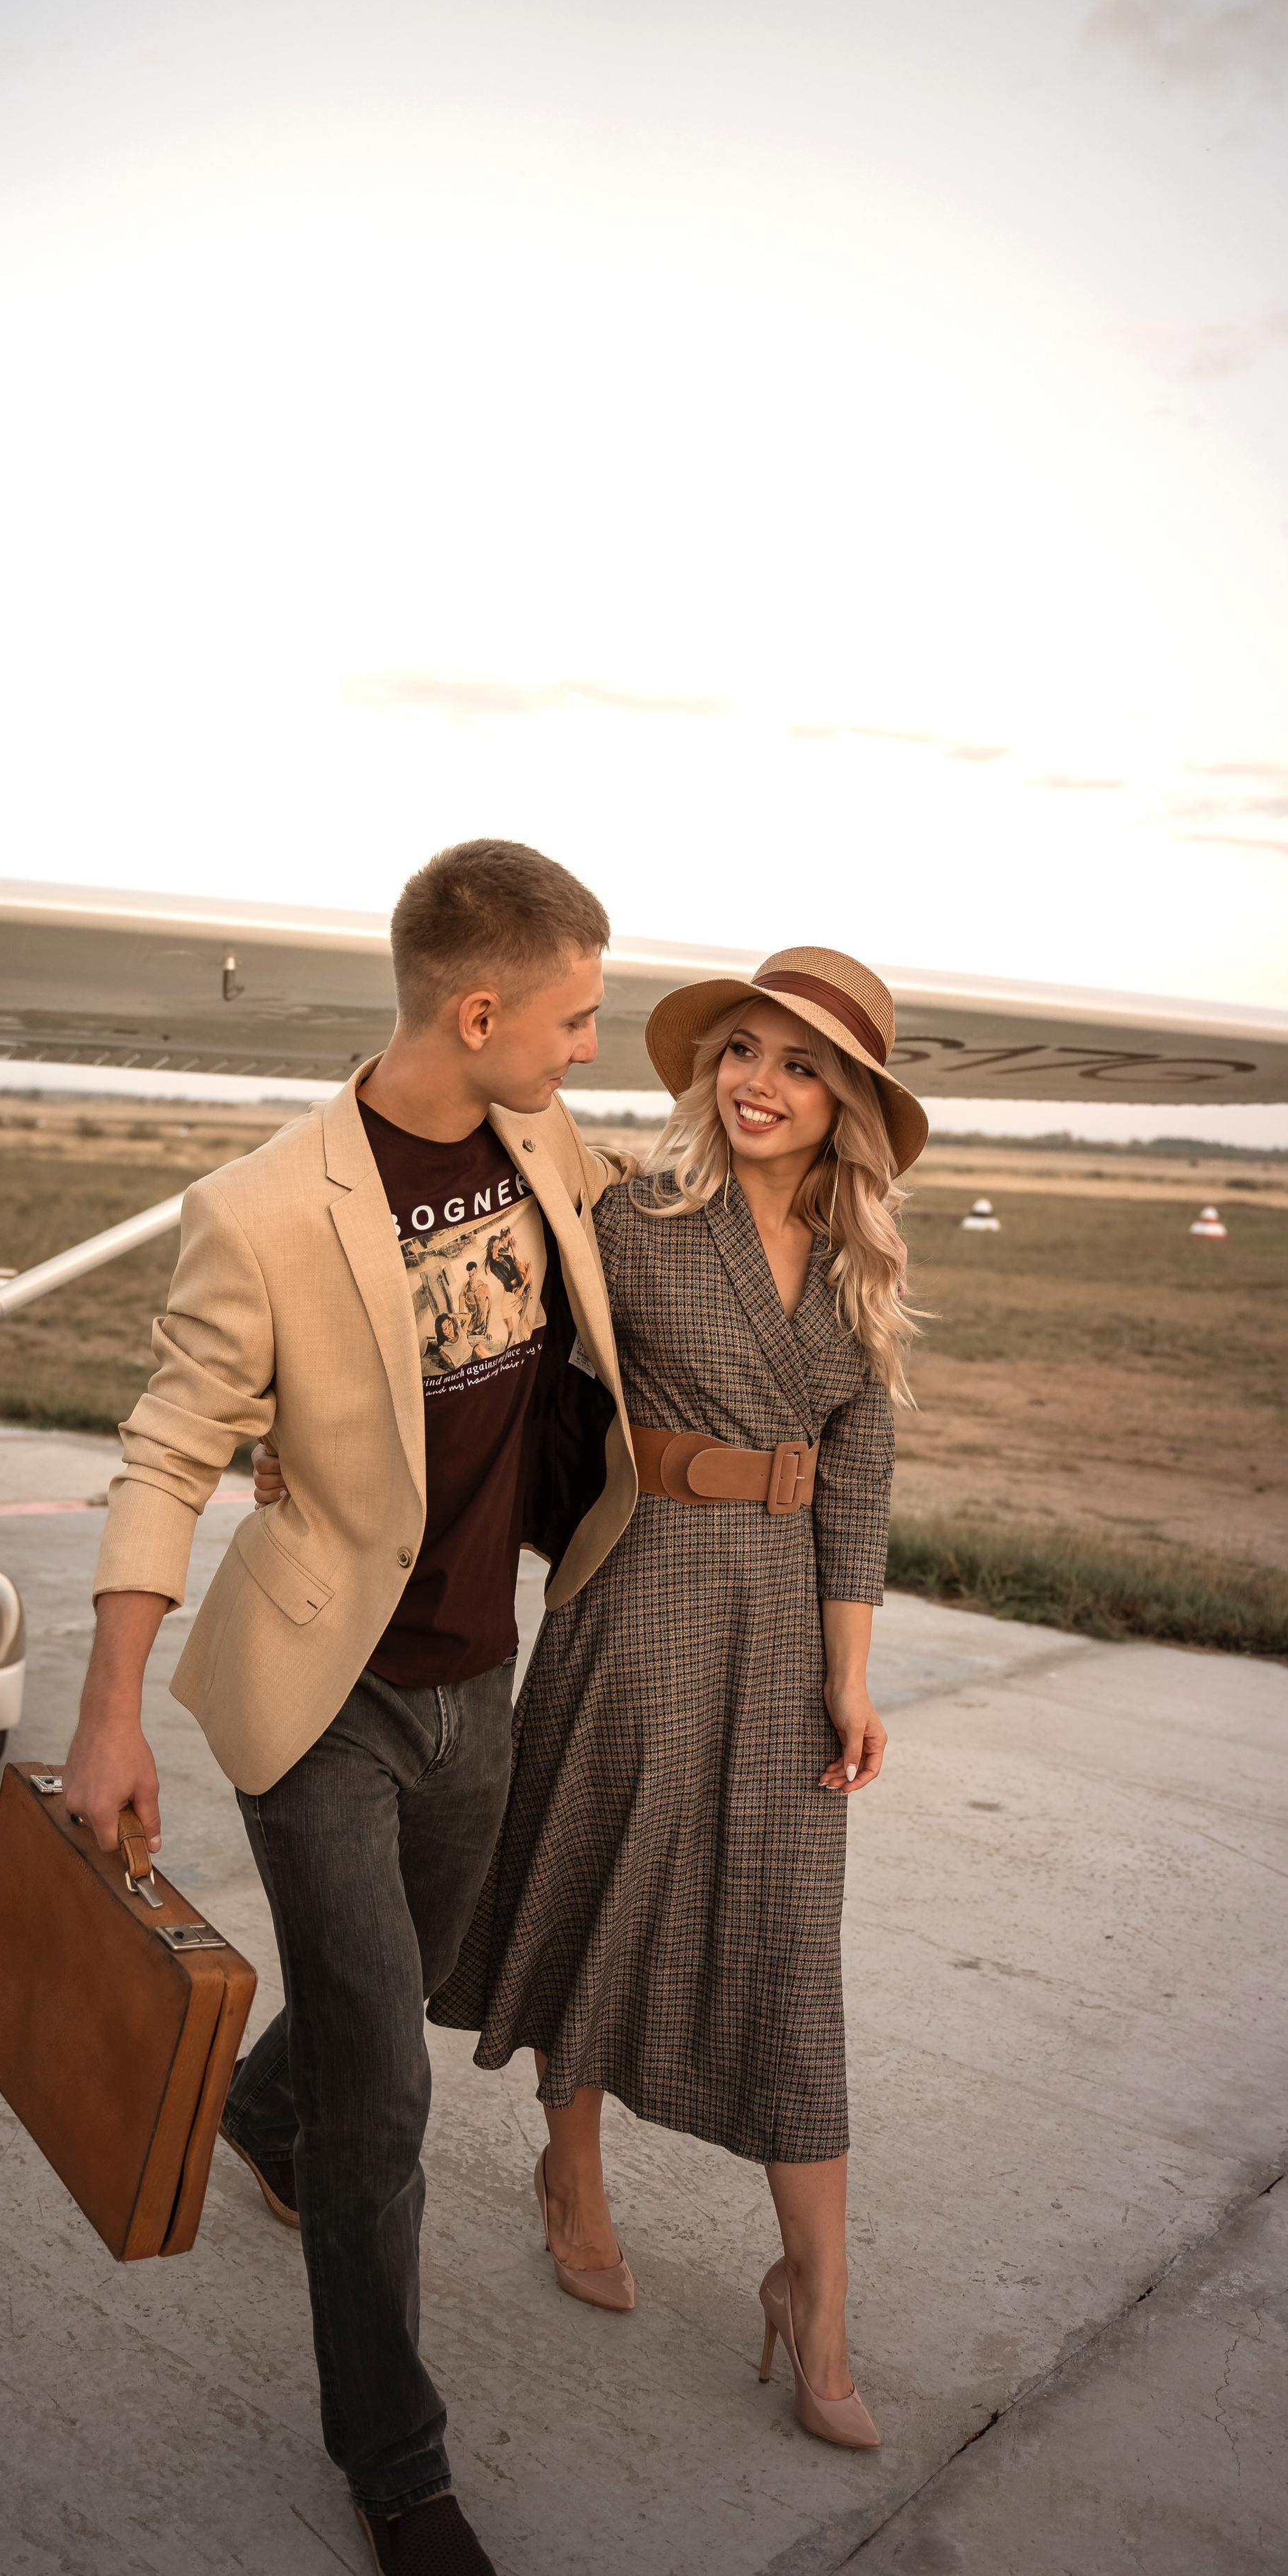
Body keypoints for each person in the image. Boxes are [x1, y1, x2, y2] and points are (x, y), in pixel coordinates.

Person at [60, 839, 638, 2576]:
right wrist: (106, 1716)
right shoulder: (260, 1210)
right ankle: (396, 2466)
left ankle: (259, 2110)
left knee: (412, 1986)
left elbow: (644, 1263)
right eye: (571, 1020)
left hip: (483, 1679)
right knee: (387, 2094)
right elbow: (170, 1450)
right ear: (476, 1012)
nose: (586, 1050)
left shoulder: (547, 1145)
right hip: (323, 1701)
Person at [430, 946, 925, 2449]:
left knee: (787, 1949)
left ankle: (815, 2294)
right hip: (637, 1591)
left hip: (781, 1627)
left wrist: (850, 1677)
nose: (760, 1083)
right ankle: (569, 2170)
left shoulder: (858, 1267)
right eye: (744, 1052)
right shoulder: (631, 1221)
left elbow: (858, 1480)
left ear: (845, 1104)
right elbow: (479, 1345)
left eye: (800, 1066)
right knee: (596, 1879)